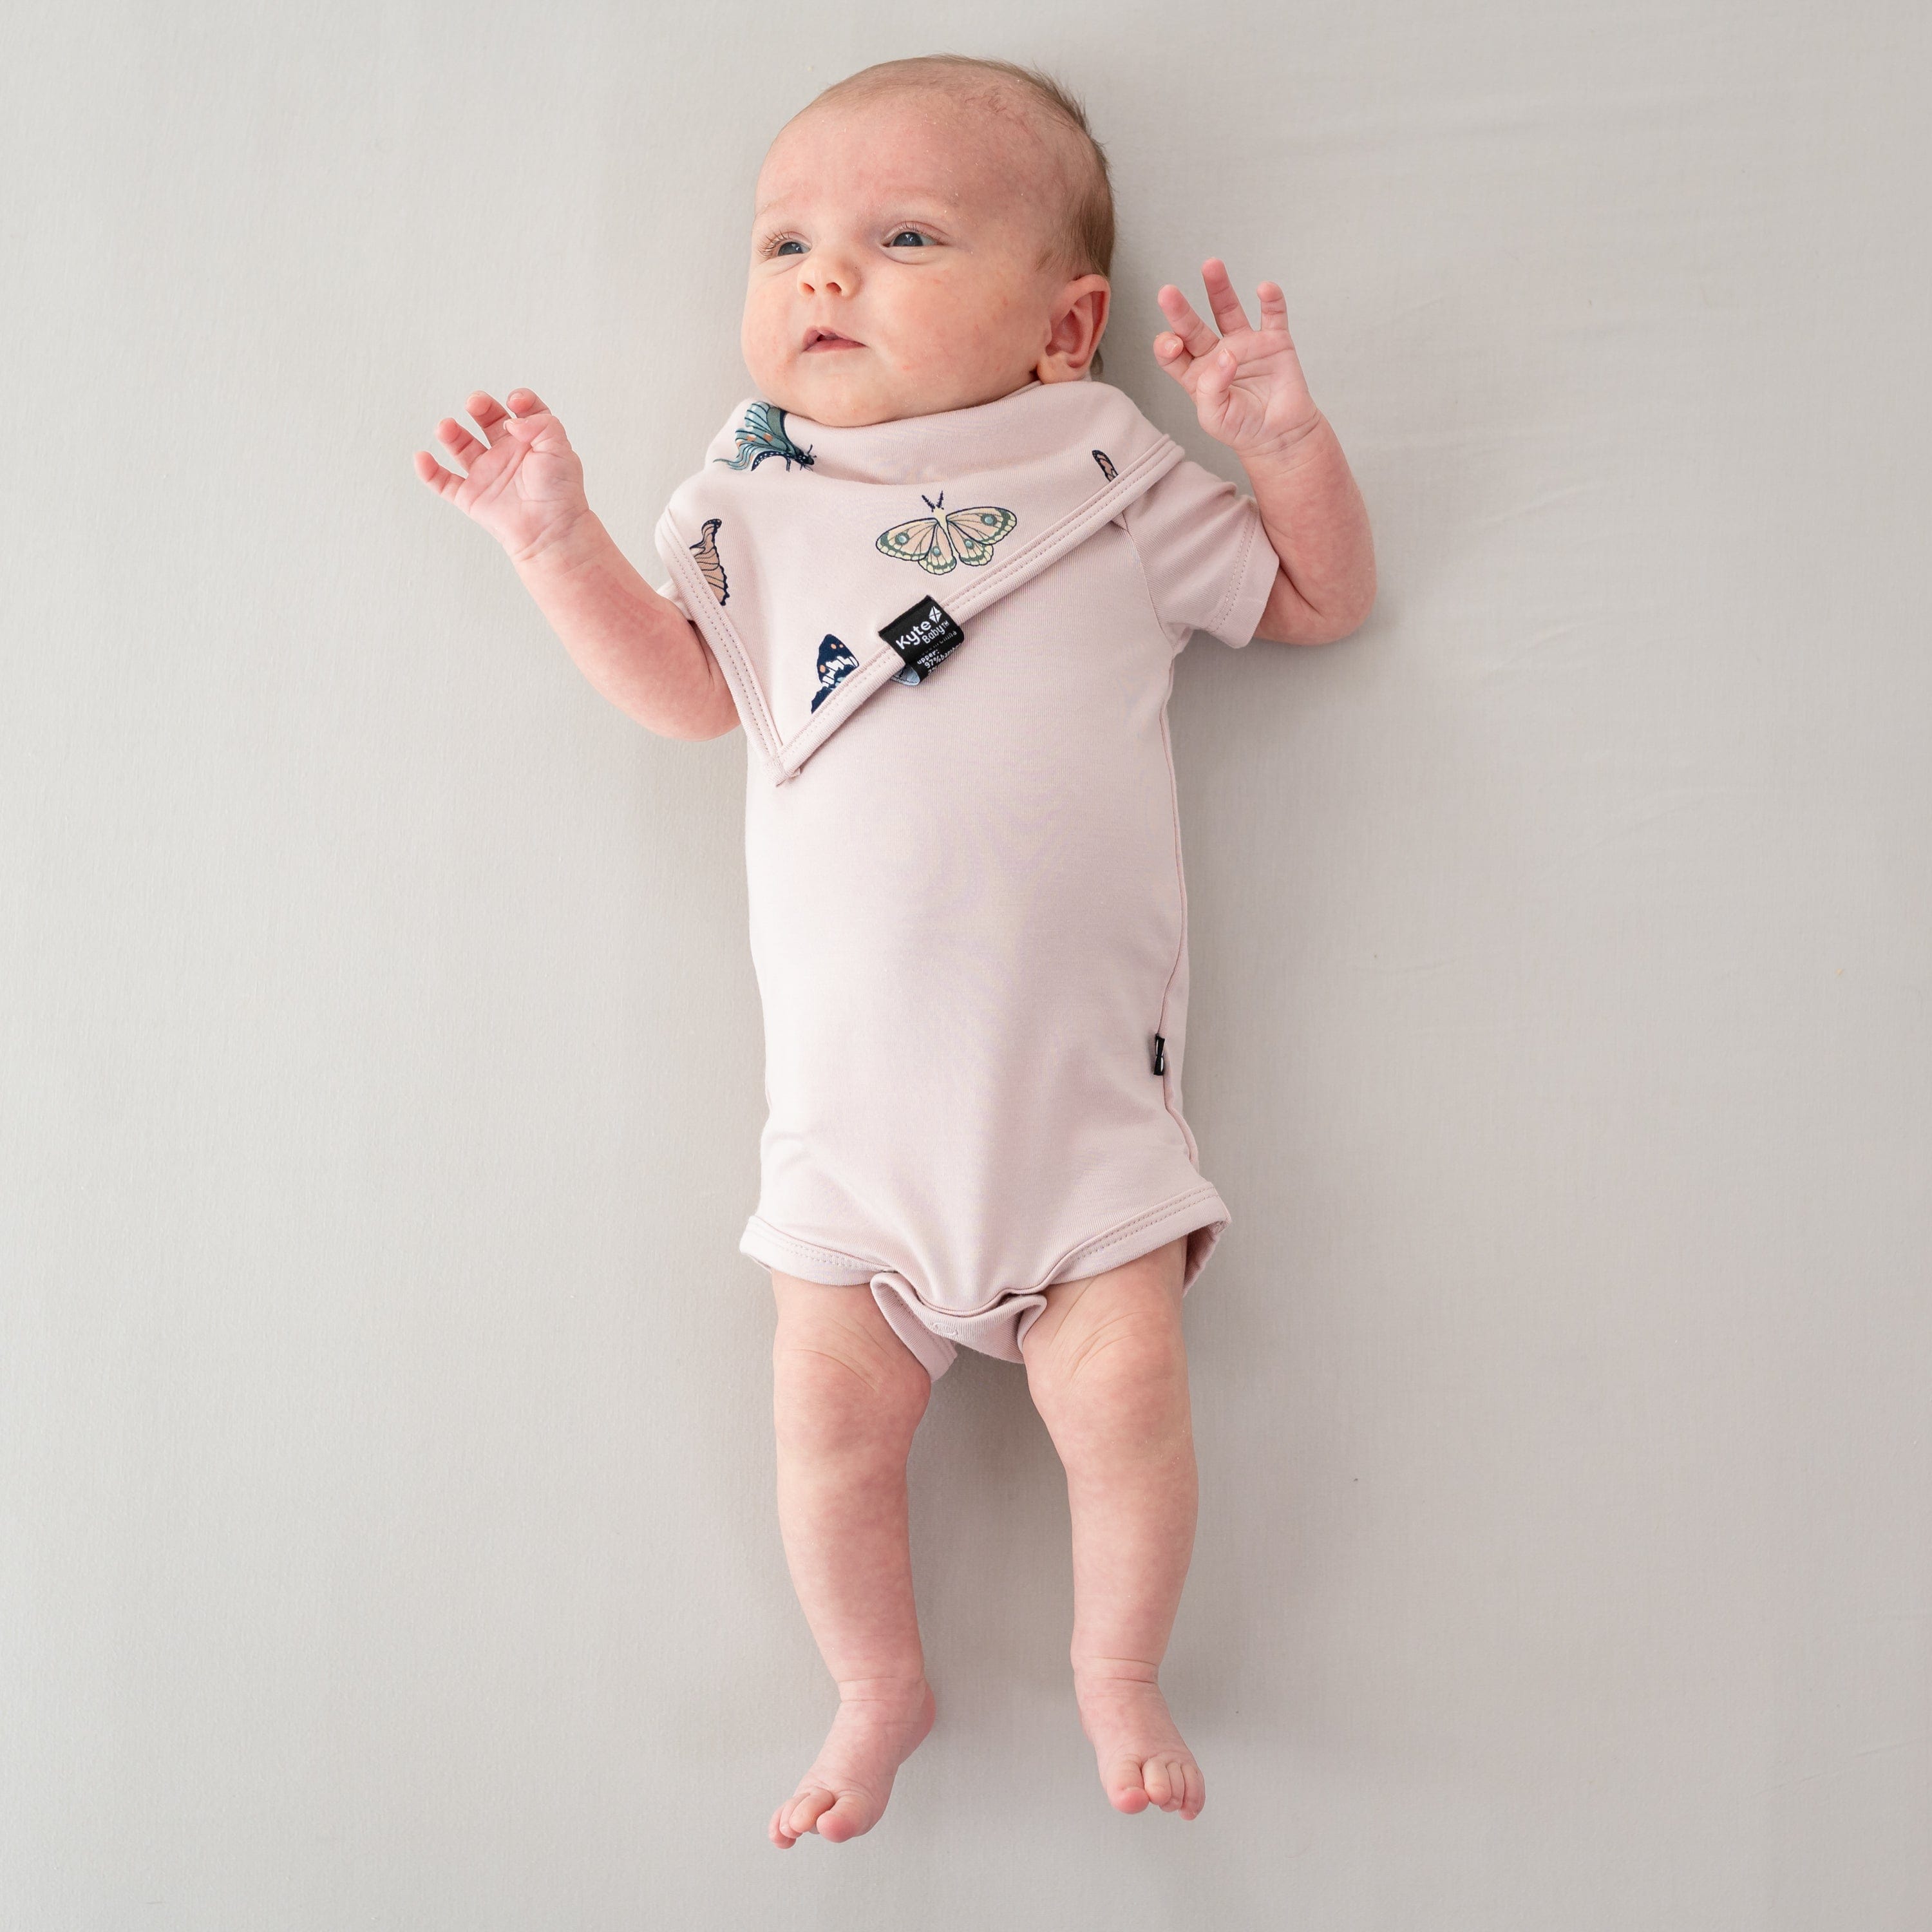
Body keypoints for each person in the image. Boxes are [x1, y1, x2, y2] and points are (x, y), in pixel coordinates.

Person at [414, 53, 1375, 1850]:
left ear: (1065, 325)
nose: (825, 275)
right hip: (852, 1157)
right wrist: (556, 547)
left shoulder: (1103, 473)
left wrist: (1284, 445)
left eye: (905, 237)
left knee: (1129, 1408)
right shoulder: (754, 495)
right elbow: (687, 695)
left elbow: (1320, 599)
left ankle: (1117, 1668)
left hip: (1082, 1139)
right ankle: (874, 1685)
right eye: (784, 243)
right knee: (827, 1432)